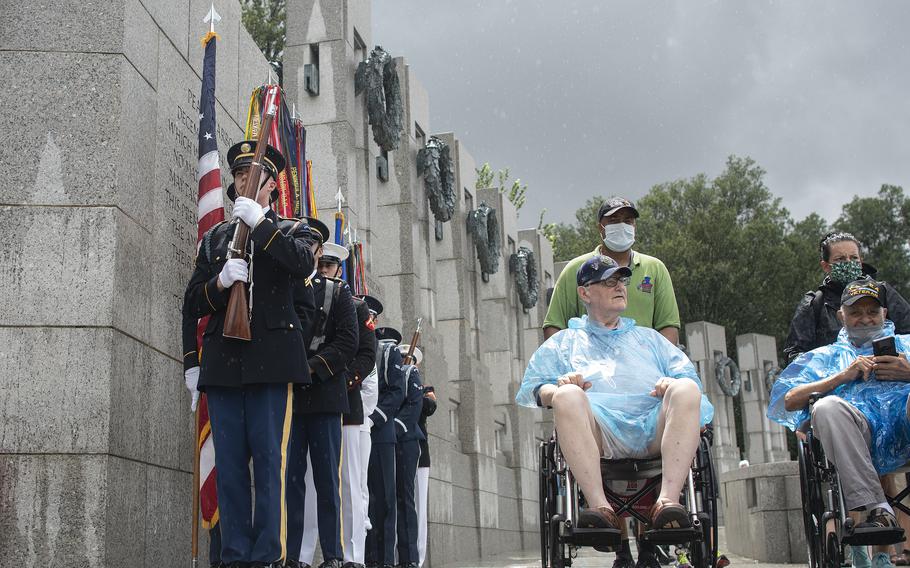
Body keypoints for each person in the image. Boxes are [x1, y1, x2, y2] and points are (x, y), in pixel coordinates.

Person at [182, 140, 315, 567]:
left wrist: (261, 226)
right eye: (240, 176)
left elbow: (302, 266)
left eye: (254, 176)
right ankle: (236, 556)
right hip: (224, 367)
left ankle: (267, 557)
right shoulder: (217, 238)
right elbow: (193, 302)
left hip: (271, 368)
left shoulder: (290, 232)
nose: (246, 181)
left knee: (269, 465)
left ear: (272, 187)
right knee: (233, 470)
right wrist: (219, 283)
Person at [517, 255, 713, 535]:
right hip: (597, 433)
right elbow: (534, 389)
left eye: (621, 280)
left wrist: (673, 382)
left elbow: (689, 378)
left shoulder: (649, 338)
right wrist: (558, 388)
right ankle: (600, 508)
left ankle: (667, 501)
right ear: (585, 292)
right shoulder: (565, 343)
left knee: (686, 388)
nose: (619, 286)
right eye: (609, 282)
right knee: (567, 395)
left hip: (652, 429)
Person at [769, 280, 910, 567]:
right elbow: (789, 398)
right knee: (826, 406)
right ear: (841, 316)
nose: (866, 318)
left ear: (885, 313)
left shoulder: (907, 345)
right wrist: (841, 377)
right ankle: (876, 509)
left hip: (905, 431)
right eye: (856, 312)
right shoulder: (826, 357)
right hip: (856, 437)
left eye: (873, 311)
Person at [288, 236, 359, 568]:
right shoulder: (288, 284)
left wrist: (312, 367)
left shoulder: (338, 293)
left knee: (328, 481)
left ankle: (332, 554)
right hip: (290, 397)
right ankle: (290, 554)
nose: (322, 266)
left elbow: (348, 340)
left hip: (325, 396)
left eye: (328, 264)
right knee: (291, 481)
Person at [543, 197, 680, 345]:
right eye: (614, 221)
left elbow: (668, 325)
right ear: (600, 227)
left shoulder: (655, 268)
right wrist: (567, 361)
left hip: (642, 365)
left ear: (635, 226)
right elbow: (554, 325)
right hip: (590, 364)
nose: (622, 226)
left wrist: (653, 364)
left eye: (628, 221)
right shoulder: (577, 269)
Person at [785, 231, 910, 363]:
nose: (849, 263)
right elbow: (793, 356)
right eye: (840, 259)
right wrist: (833, 366)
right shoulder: (814, 304)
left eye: (854, 258)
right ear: (825, 266)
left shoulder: (884, 293)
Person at [340, 289, 379, 568]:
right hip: (321, 407)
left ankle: (354, 556)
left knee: (355, 485)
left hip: (356, 416)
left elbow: (369, 378)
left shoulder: (356, 310)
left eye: (331, 265)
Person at [366, 327, 406, 568]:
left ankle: (385, 560)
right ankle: (365, 557)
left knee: (383, 501)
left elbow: (396, 391)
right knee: (363, 498)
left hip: (380, 433)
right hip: (355, 429)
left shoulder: (388, 351)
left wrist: (373, 417)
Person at [394, 344, 426, 568]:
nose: (405, 360)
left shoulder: (412, 376)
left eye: (408, 357)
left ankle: (409, 558)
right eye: (402, 356)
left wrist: (394, 426)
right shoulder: (393, 374)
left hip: (406, 440)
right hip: (386, 440)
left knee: (405, 498)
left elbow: (417, 406)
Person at [416, 384, 437, 568]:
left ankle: (418, 559)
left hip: (420, 457)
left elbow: (430, 406)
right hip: (396, 451)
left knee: (419, 509)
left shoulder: (424, 389)